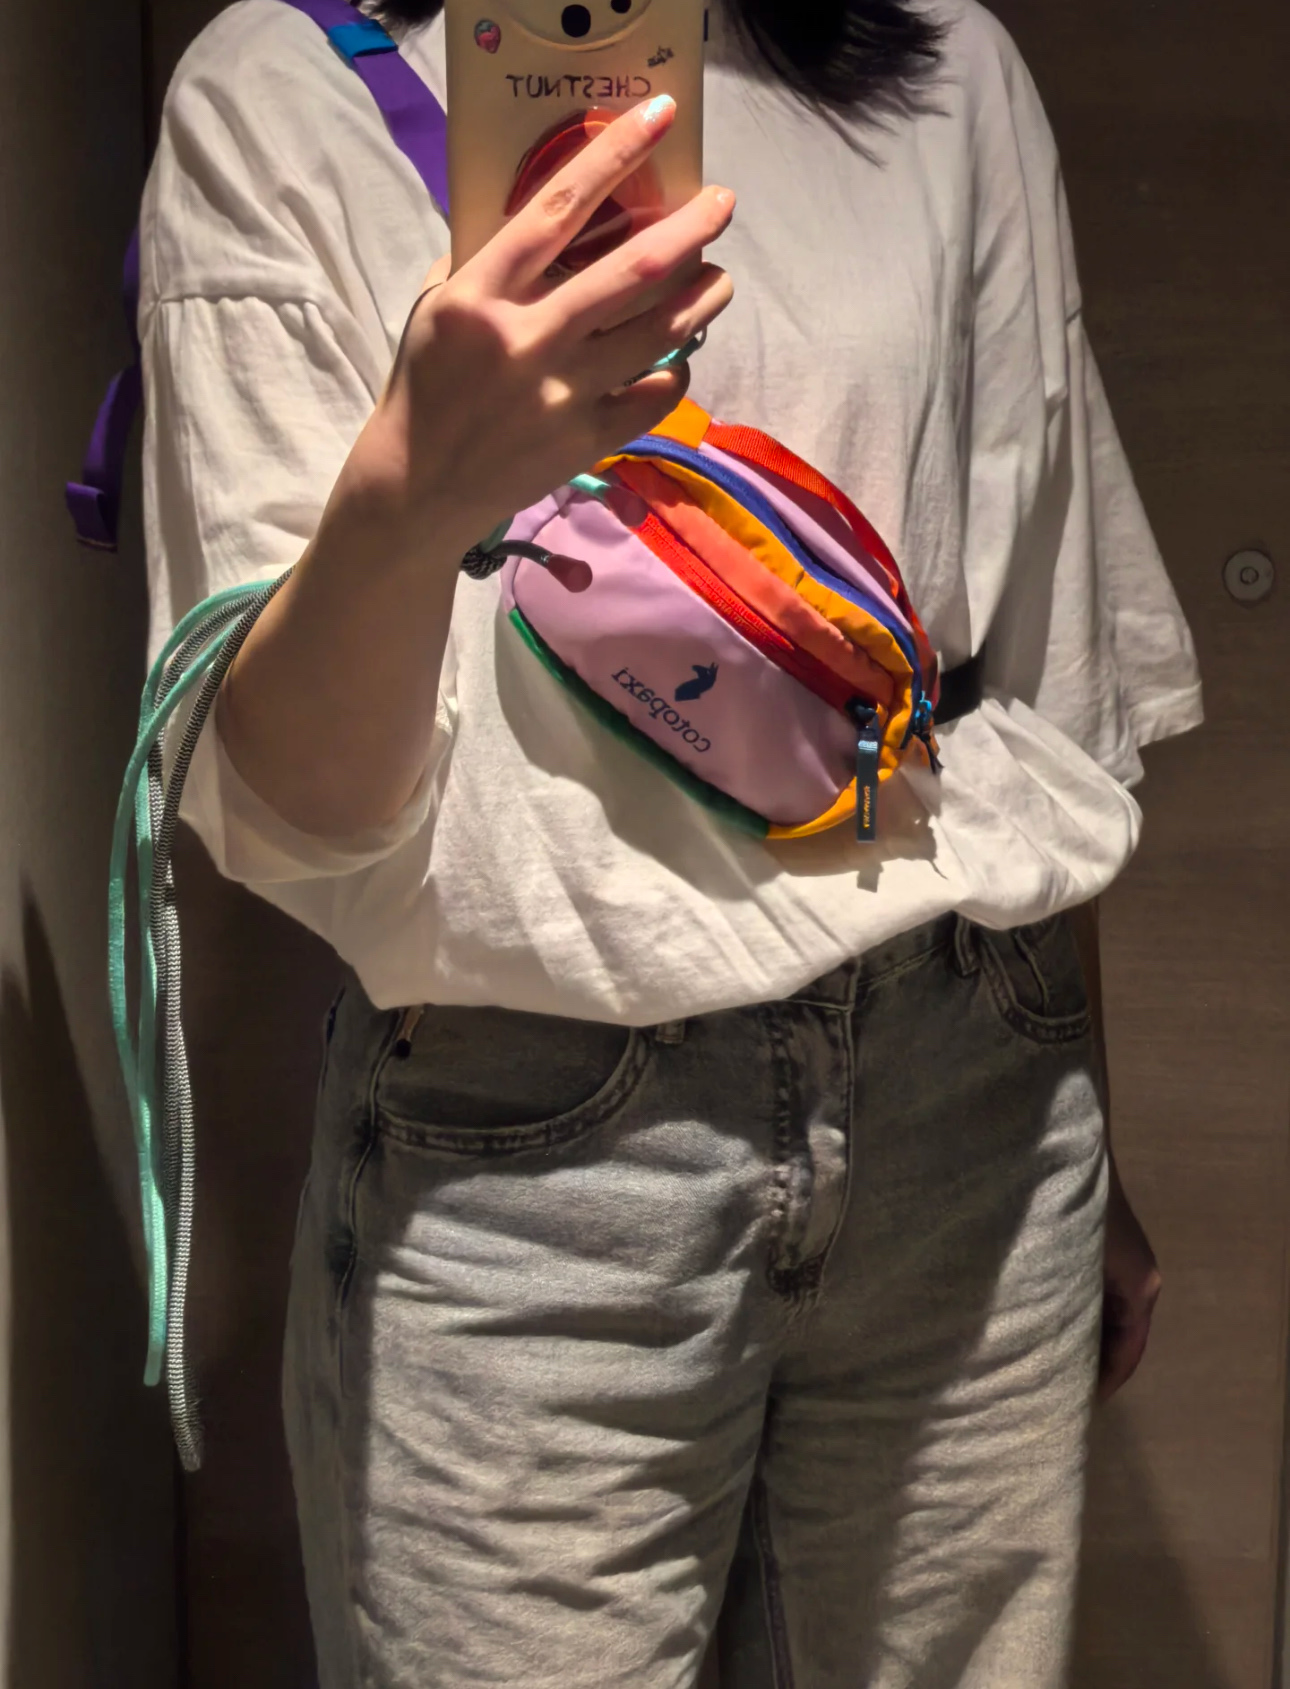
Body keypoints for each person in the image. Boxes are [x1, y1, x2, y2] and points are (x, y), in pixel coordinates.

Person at [139, 0, 1203, 1682]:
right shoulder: (278, 94)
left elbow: (1034, 682)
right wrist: (415, 489)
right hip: (527, 1153)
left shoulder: (940, 58)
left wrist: (1099, 1133)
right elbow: (297, 818)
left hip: (973, 1103)